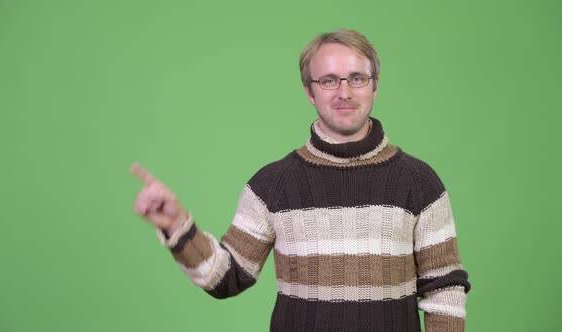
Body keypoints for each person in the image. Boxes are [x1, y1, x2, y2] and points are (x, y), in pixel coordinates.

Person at [131, 29, 471, 332]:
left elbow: (444, 291)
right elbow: (226, 277)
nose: (344, 92)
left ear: (375, 86)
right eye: (329, 80)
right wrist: (177, 225)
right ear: (310, 91)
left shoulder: (418, 181)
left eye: (357, 78)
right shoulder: (273, 184)